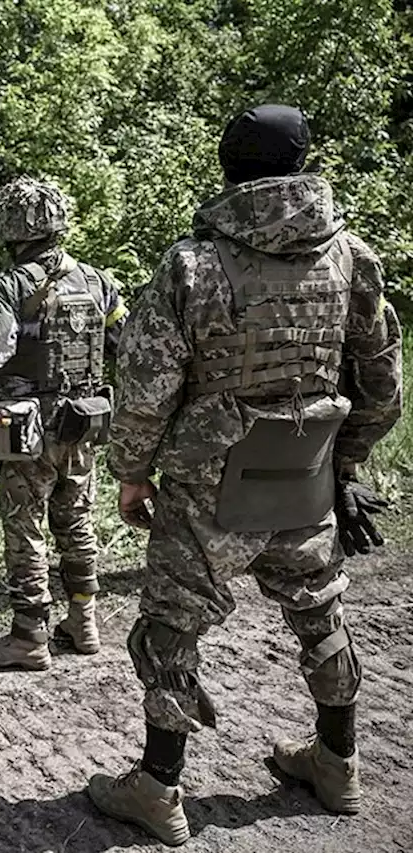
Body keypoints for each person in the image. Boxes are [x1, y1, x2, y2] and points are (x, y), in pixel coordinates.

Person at [86, 104, 403, 846]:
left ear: (229, 168)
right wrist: (344, 458)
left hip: (207, 484)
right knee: (320, 611)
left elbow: (145, 388)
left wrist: (132, 474)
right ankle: (338, 762)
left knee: (170, 628)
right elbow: (384, 378)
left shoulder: (193, 263)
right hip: (305, 467)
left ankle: (159, 789)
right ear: (303, 164)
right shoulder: (351, 255)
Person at [0, 177, 128, 670]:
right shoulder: (99, 282)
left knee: (25, 527)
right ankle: (84, 621)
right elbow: (128, 343)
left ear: (10, 229)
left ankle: (29, 634)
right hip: (84, 423)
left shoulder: (11, 285)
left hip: (26, 428)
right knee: (77, 521)